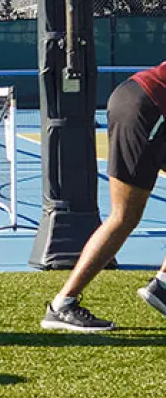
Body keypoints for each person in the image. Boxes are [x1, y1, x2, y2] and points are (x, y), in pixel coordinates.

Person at [42, 61, 166, 334]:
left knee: (123, 216)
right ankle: (63, 304)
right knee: (124, 216)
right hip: (147, 107)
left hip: (138, 100)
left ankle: (163, 286)